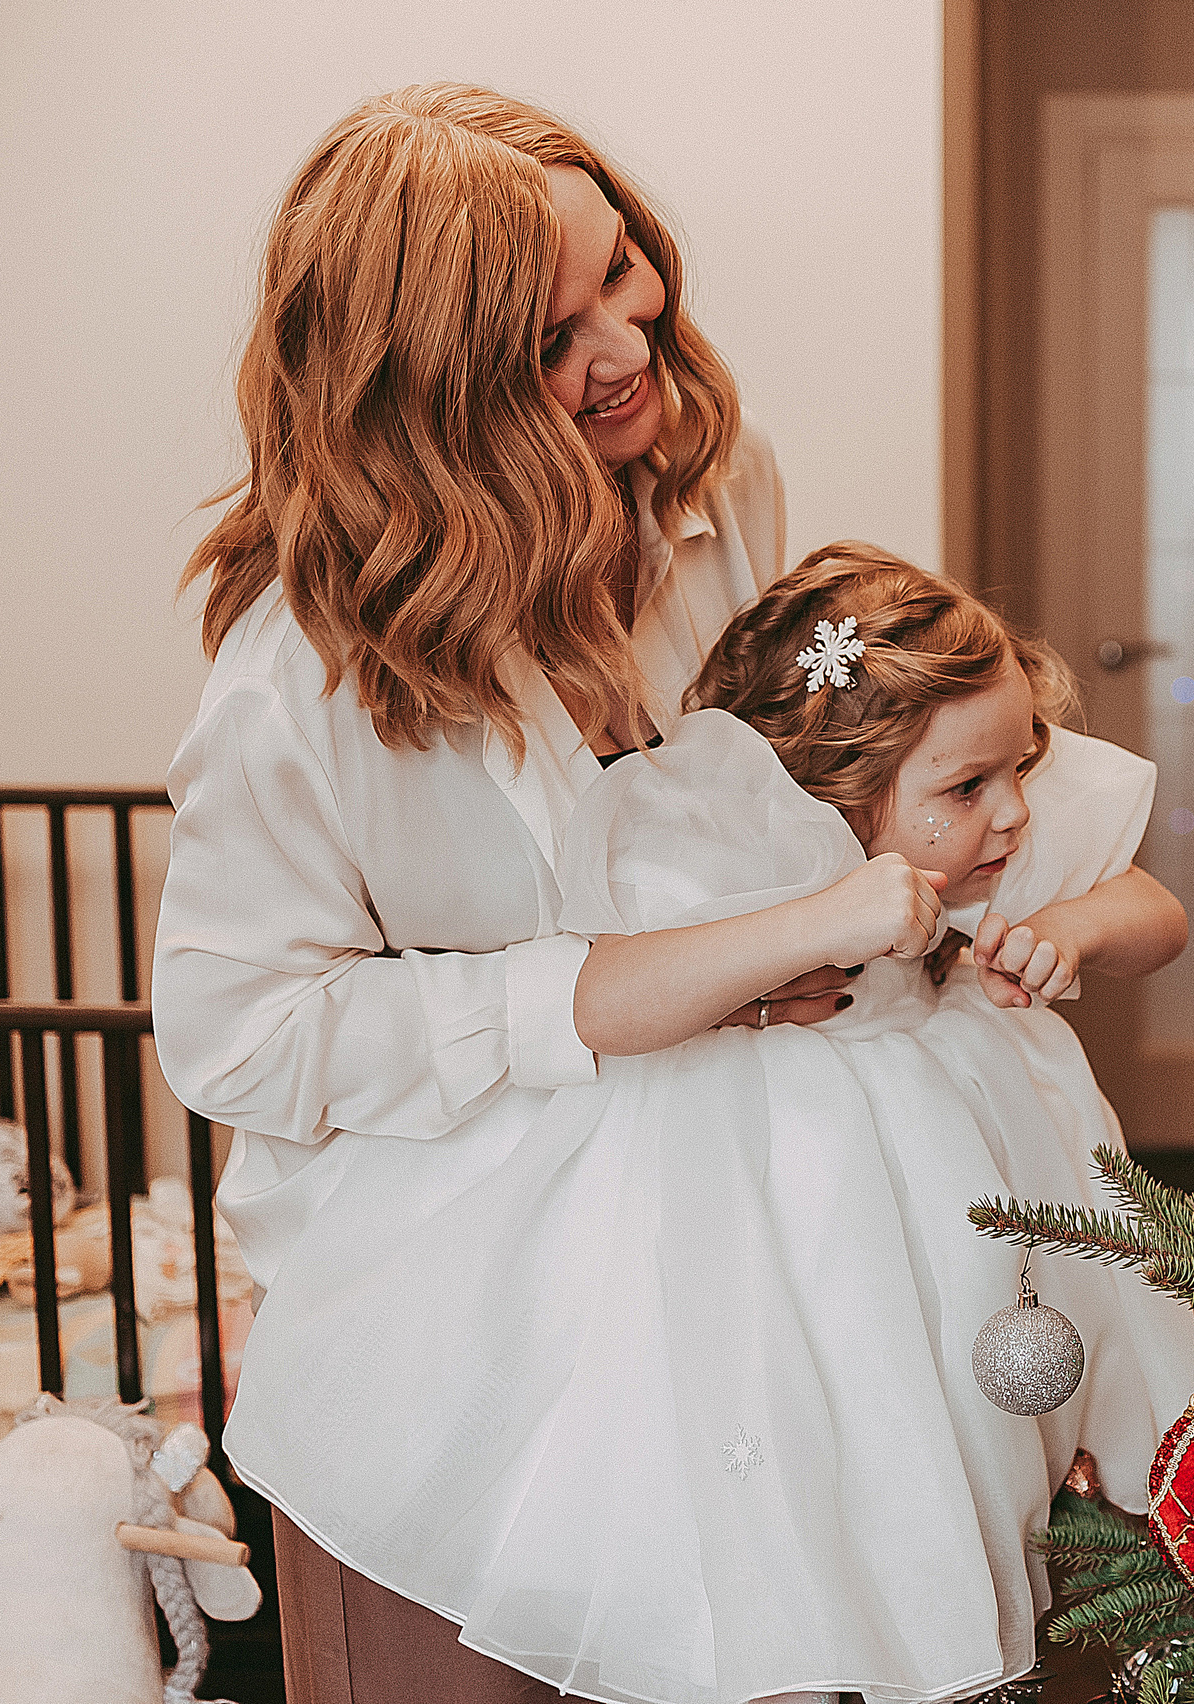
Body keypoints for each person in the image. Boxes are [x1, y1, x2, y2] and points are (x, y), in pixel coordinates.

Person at [227, 543, 1194, 1704]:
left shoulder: (986, 843)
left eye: (1023, 768)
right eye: (967, 789)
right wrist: (817, 924)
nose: (1012, 810)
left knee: (951, 1432)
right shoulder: (738, 857)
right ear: (838, 790)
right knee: (799, 1422)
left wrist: (1072, 927)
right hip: (787, 1175)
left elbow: (1153, 912)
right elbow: (624, 987)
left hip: (955, 1158)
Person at [152, 85, 840, 1699]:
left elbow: (754, 799)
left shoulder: (717, 493)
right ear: (428, 393)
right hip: (444, 1323)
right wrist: (585, 1001)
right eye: (549, 339)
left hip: (709, 1252)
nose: (627, 343)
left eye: (626, 271)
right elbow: (241, 1036)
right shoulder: (302, 676)